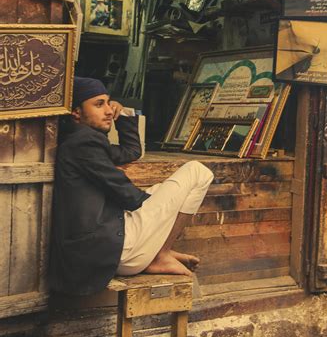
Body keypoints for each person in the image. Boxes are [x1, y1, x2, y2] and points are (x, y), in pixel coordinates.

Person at [49, 77, 214, 296]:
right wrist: (163, 208)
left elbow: (131, 152)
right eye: (99, 104)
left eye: (109, 103)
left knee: (160, 191)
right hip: (115, 251)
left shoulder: (77, 140)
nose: (109, 110)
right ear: (76, 112)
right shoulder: (85, 142)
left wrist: (124, 113)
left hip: (106, 250)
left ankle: (157, 251)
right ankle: (160, 254)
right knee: (197, 171)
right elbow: (130, 198)